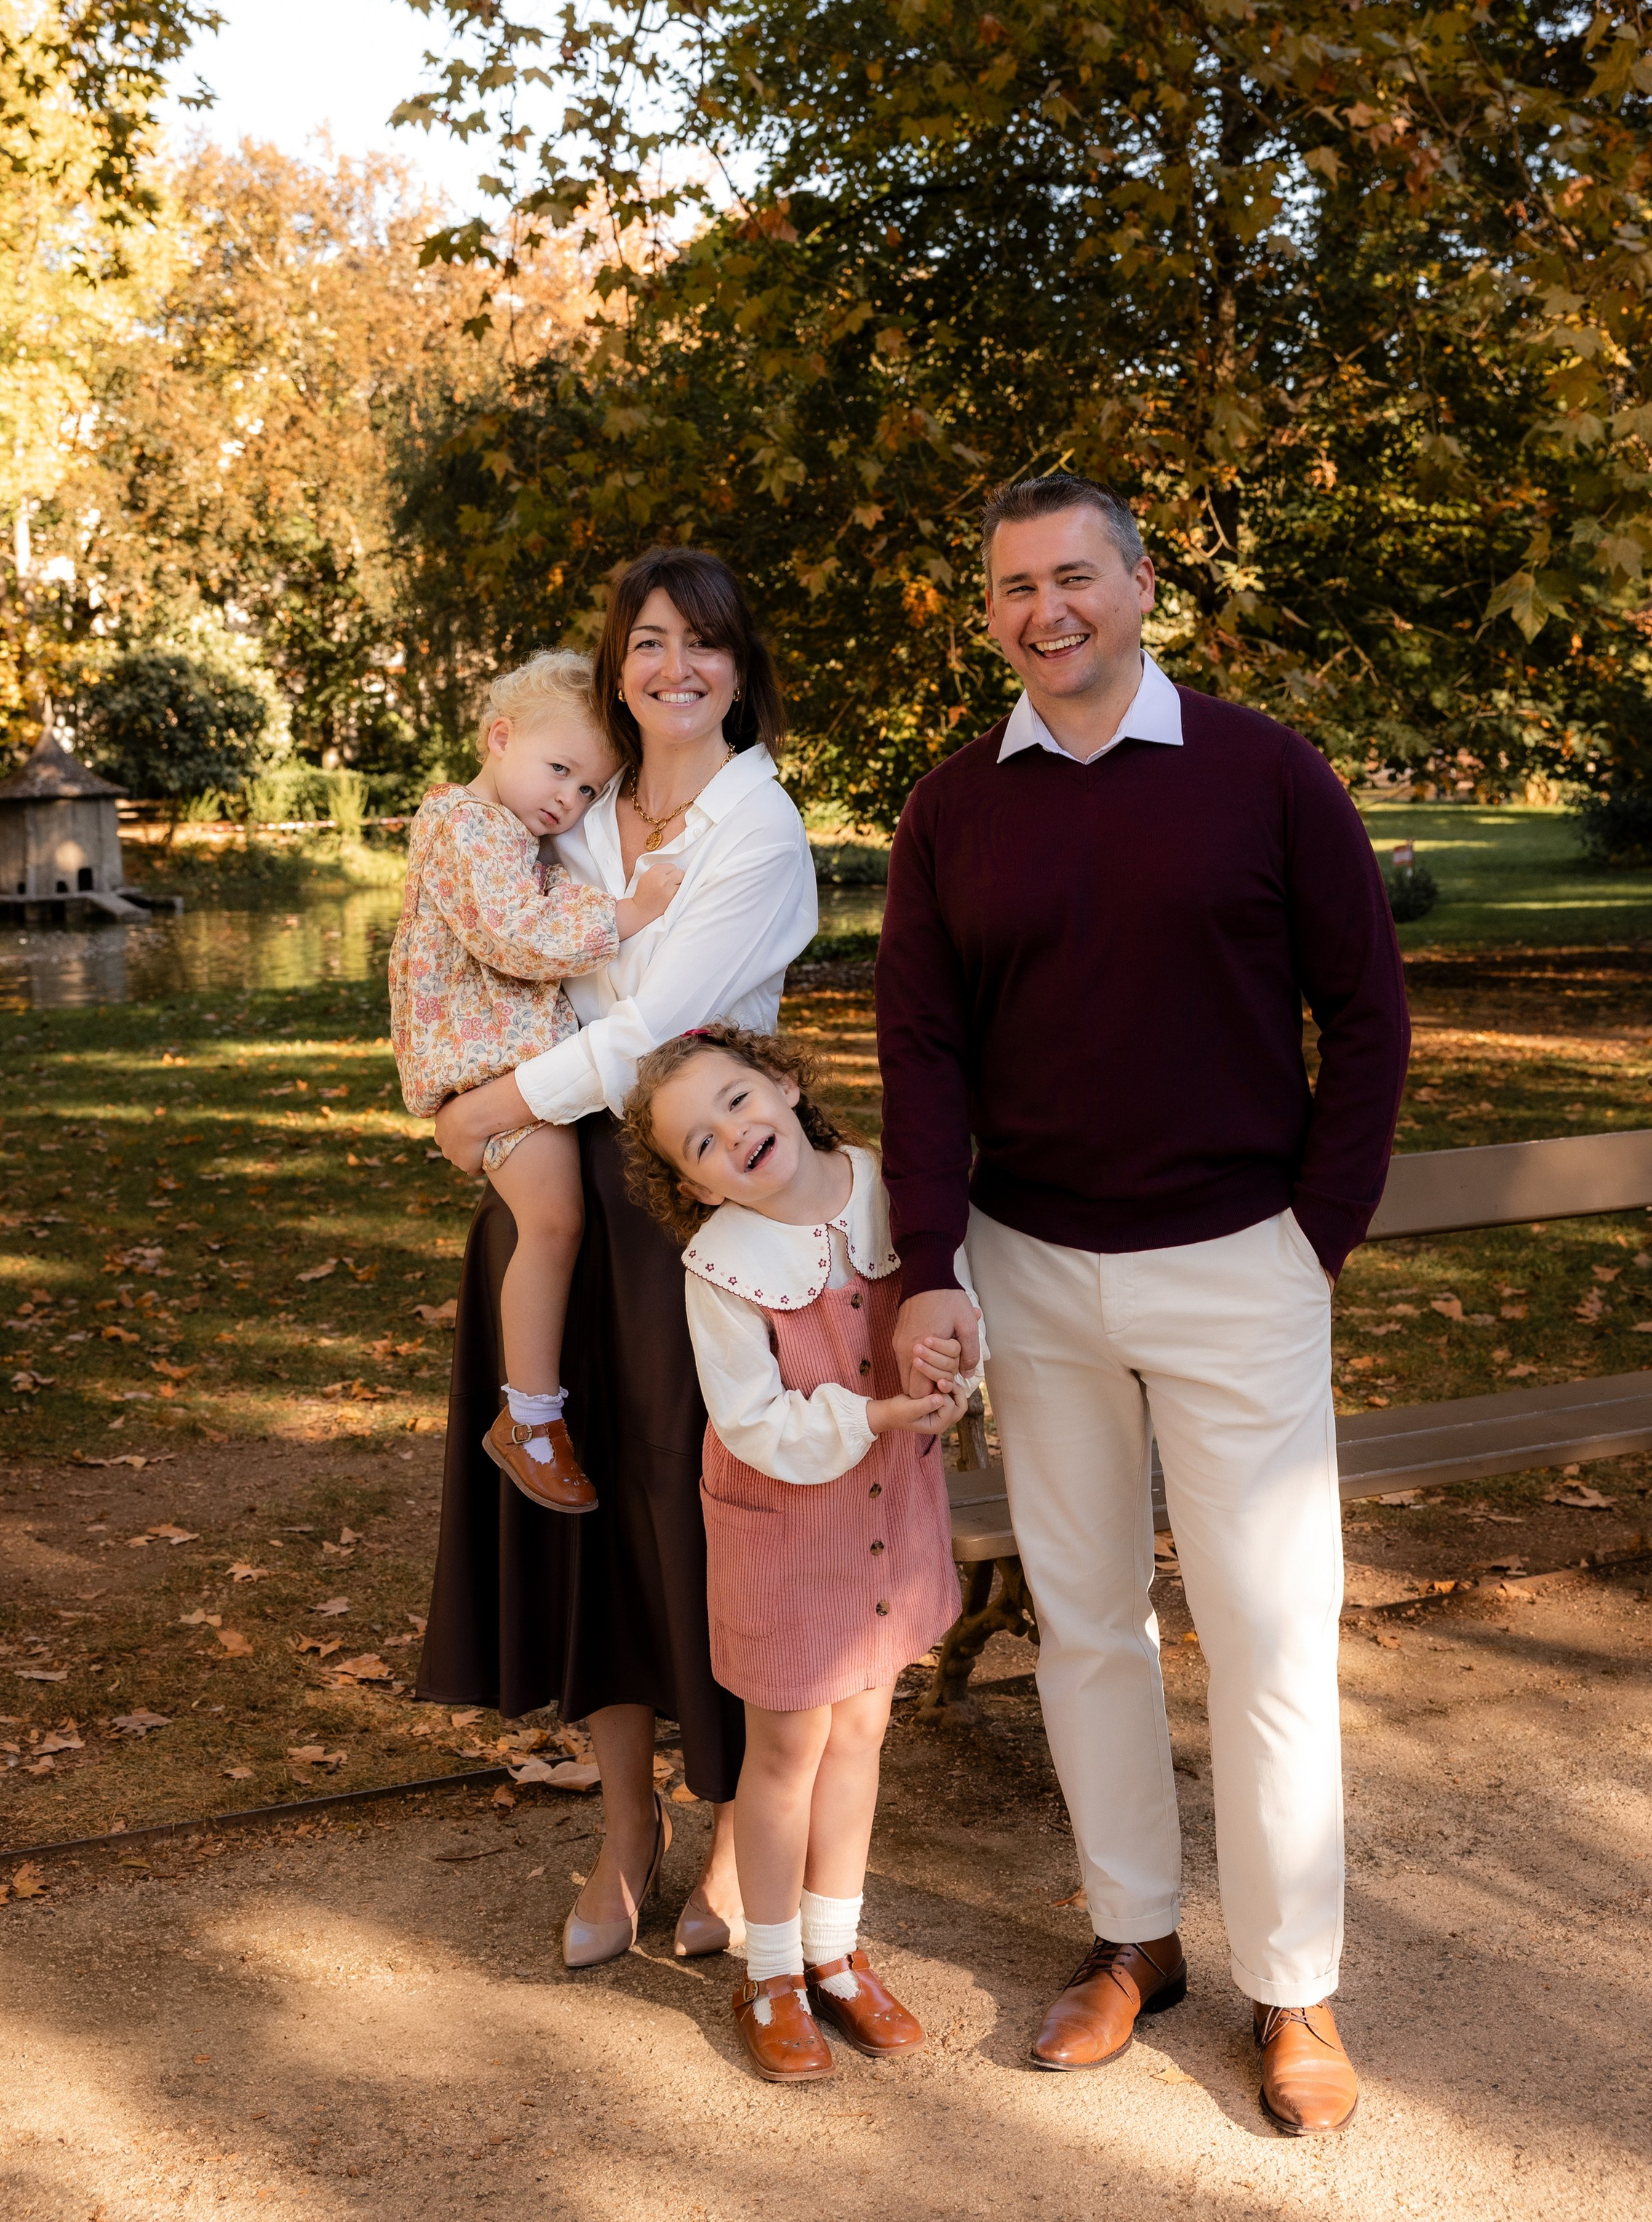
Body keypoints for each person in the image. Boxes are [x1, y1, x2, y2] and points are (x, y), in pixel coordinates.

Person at [875, 473, 1409, 2138]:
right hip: (1030, 1270)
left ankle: (1293, 1983)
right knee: (1087, 1619)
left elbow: (1367, 1015)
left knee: (1264, 1628)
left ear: (1137, 583)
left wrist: (1306, 1236)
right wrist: (925, 1261)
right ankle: (1130, 1939)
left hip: (1235, 1261)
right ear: (989, 612)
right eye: (1014, 585)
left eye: (1074, 575)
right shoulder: (952, 807)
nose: (1047, 609)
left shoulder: (1260, 770)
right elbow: (922, 1051)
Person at [415, 548, 818, 1968]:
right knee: (584, 1514)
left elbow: (651, 1041)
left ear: (736, 666)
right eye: (647, 641)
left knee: (699, 1514)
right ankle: (619, 1828)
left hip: (686, 1197)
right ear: (616, 660)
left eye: (702, 643)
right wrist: (479, 1088)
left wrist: (494, 1101)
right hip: (553, 1198)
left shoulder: (754, 833)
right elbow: (481, 936)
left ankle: (731, 1828)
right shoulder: (575, 793)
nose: (672, 668)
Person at [620, 1022, 973, 2082]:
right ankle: (770, 1973)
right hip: (787, 1529)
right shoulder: (721, 1267)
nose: (731, 1136)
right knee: (784, 1757)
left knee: (863, 1730)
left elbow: (954, 1307)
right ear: (691, 1186)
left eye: (735, 1102)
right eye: (699, 1144)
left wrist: (956, 1375)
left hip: (890, 1514)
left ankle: (836, 1951)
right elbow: (756, 1422)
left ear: (783, 1080)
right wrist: (878, 1414)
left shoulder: (890, 1189)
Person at [388, 648, 682, 1516]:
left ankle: (538, 1410)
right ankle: (531, 1416)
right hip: (485, 1065)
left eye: (589, 789)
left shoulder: (509, 831)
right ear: (498, 736)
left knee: (562, 1220)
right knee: (553, 1223)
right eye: (559, 770)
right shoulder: (465, 825)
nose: (569, 799)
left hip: (508, 1059)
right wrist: (626, 914)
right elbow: (512, 935)